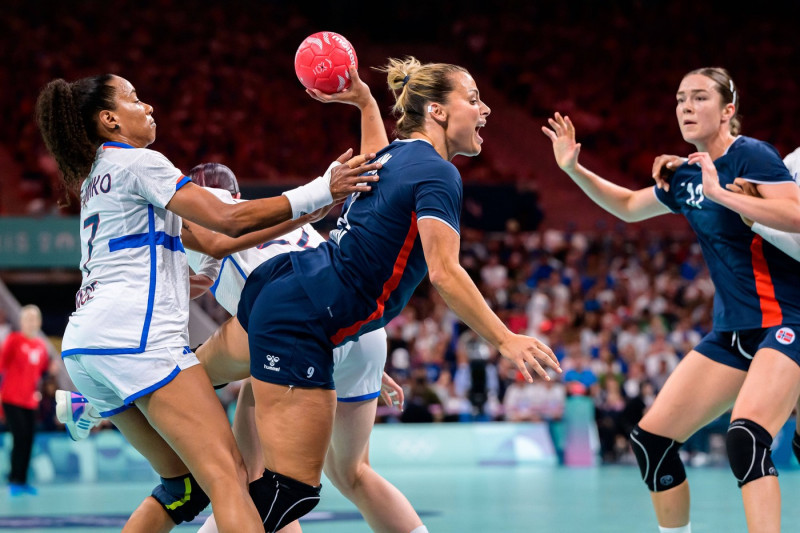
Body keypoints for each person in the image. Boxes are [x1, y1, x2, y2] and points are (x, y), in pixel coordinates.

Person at [216, 56, 560, 532]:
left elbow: (376, 151)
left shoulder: (394, 157)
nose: (485, 111)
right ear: (437, 111)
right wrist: (505, 340)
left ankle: (114, 397)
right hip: (305, 317)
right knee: (288, 489)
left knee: (190, 379)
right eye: (474, 99)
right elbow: (444, 272)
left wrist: (363, 101)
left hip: (291, 289)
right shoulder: (439, 174)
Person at [35, 73, 380, 533]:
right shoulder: (141, 163)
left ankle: (89, 407)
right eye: (135, 99)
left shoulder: (99, 176)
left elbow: (215, 243)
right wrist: (321, 190)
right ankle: (90, 408)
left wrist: (306, 214)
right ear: (109, 119)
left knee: (183, 488)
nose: (149, 106)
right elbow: (227, 218)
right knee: (229, 478)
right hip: (136, 341)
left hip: (85, 349)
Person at [543, 67, 800, 533]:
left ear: (727, 111)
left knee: (747, 438)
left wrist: (725, 194)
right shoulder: (685, 175)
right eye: (681, 98)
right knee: (652, 441)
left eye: (699, 98)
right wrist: (573, 169)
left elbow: (796, 214)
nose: (685, 107)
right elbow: (627, 206)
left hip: (788, 321)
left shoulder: (752, 156)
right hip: (733, 333)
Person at [0, 305, 51, 496]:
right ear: (21, 322)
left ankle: (22, 480)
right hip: (11, 399)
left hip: (31, 401)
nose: (31, 322)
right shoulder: (13, 340)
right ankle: (13, 479)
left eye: (35, 318)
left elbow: (41, 373)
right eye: (28, 318)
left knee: (29, 440)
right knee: (19, 438)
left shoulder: (41, 346)